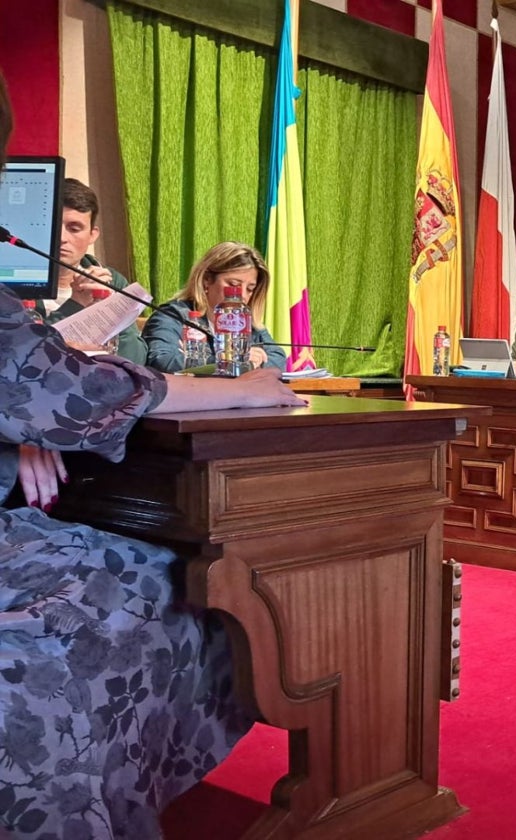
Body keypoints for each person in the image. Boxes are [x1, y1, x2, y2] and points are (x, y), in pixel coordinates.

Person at [0, 71, 306, 838]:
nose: (238, 290)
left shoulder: (215, 316)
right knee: (178, 591)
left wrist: (23, 423)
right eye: (227, 281)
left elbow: (41, 381)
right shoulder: (170, 313)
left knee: (162, 571)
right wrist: (246, 392)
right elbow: (67, 377)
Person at [37, 177, 148, 363]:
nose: (61, 237)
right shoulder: (16, 282)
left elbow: (135, 360)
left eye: (74, 228)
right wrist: (76, 304)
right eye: (53, 226)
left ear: (92, 235)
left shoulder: (112, 280)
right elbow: (28, 354)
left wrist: (112, 309)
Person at [142, 241, 288, 373]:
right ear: (206, 280)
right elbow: (162, 361)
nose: (242, 295)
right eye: (233, 285)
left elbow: (277, 358)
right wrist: (230, 363)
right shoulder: (172, 316)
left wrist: (247, 364)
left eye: (250, 289)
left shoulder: (245, 320)